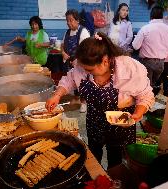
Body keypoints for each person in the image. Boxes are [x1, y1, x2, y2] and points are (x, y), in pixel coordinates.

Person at [46, 32, 155, 169]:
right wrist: (57, 95)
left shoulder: (129, 69)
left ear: (105, 61)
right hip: (95, 117)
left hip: (120, 119)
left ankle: (112, 178)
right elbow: (69, 79)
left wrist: (138, 113)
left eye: (90, 69)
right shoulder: (84, 67)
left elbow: (145, 94)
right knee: (93, 151)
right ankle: (94, 173)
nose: (86, 71)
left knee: (115, 157)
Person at [132, 5, 168, 95]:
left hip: (147, 62)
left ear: (151, 16)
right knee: (152, 85)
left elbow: (135, 46)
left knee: (145, 86)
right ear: (162, 16)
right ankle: (150, 101)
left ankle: (145, 104)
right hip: (161, 63)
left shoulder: (145, 28)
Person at [62, 9, 90, 113]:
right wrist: (63, 52)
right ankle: (77, 99)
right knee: (73, 81)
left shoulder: (83, 32)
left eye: (71, 20)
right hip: (70, 62)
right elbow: (62, 45)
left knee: (82, 83)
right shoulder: (67, 32)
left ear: (77, 20)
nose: (69, 23)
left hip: (80, 63)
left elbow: (87, 49)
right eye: (67, 20)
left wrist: (78, 60)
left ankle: (84, 103)